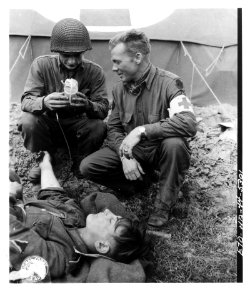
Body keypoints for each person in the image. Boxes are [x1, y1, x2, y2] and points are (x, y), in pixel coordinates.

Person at [79, 29, 197, 228]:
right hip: (136, 152)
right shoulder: (118, 89)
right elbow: (114, 128)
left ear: (138, 57)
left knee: (175, 144)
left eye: (117, 61)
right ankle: (137, 185)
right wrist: (125, 156)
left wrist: (141, 131)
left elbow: (189, 122)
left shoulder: (170, 83)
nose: (114, 68)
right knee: (88, 166)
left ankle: (163, 205)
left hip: (161, 151)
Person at [9, 152, 147, 282]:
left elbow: (14, 240)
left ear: (102, 245)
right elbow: (53, 194)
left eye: (111, 220)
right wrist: (45, 165)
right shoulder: (76, 216)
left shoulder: (62, 257)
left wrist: (9, 196)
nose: (107, 212)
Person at [18, 18, 109, 181]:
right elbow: (26, 101)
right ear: (57, 51)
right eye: (66, 56)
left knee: (98, 127)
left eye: (77, 55)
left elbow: (103, 109)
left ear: (84, 52)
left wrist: (88, 105)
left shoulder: (94, 72)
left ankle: (80, 158)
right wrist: (44, 102)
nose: (72, 61)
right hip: (49, 124)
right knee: (28, 121)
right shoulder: (42, 65)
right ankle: (44, 158)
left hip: (77, 125)